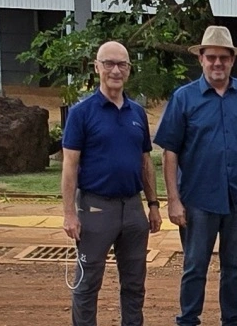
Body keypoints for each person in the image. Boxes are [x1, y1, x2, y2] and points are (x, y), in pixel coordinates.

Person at [153, 25, 237, 326]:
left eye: (224, 57)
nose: (217, 63)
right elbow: (170, 152)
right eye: (211, 57)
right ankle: (188, 320)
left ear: (233, 60)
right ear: (201, 59)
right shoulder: (184, 98)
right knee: (195, 266)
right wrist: (173, 201)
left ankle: (232, 321)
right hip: (197, 198)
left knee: (235, 267)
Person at [60, 40, 163, 326]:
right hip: (95, 209)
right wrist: (69, 213)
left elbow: (145, 162)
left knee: (134, 284)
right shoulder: (82, 113)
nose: (115, 70)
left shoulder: (137, 113)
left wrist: (153, 205)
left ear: (129, 70)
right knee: (87, 284)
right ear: (97, 67)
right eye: (109, 64)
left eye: (122, 64)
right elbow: (69, 166)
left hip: (132, 209)